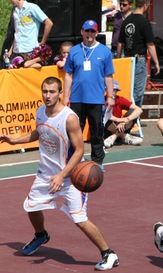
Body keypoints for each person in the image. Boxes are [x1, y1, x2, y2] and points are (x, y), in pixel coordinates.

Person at [0, 76, 119, 271]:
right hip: (46, 174)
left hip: (71, 177)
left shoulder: (69, 118)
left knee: (79, 219)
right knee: (31, 206)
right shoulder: (40, 112)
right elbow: (39, 132)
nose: (47, 95)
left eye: (52, 92)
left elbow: (79, 150)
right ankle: (41, 235)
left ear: (60, 93)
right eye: (45, 91)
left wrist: (62, 175)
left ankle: (109, 253)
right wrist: (15, 141)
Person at [64, 20, 115, 167]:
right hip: (77, 98)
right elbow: (68, 75)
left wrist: (110, 96)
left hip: (96, 98)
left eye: (92, 31)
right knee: (74, 130)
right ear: (82, 32)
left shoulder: (104, 51)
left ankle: (97, 161)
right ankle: (73, 159)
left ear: (97, 33)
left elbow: (108, 75)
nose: (89, 34)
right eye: (87, 31)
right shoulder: (74, 51)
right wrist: (66, 96)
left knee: (97, 130)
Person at [117, 0, 160, 108]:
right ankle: (134, 115)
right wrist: (156, 62)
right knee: (138, 92)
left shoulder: (126, 20)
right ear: (145, 5)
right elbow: (150, 44)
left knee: (128, 89)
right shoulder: (144, 22)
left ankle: (129, 113)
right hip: (138, 60)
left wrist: (118, 59)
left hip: (127, 60)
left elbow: (120, 43)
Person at [103, 80, 143, 148]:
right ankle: (125, 137)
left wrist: (126, 120)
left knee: (133, 112)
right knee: (104, 118)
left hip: (120, 126)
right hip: (107, 128)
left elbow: (139, 110)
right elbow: (104, 115)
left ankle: (114, 137)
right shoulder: (102, 100)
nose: (112, 92)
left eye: (115, 90)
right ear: (106, 90)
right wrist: (120, 120)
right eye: (110, 89)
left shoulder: (119, 99)